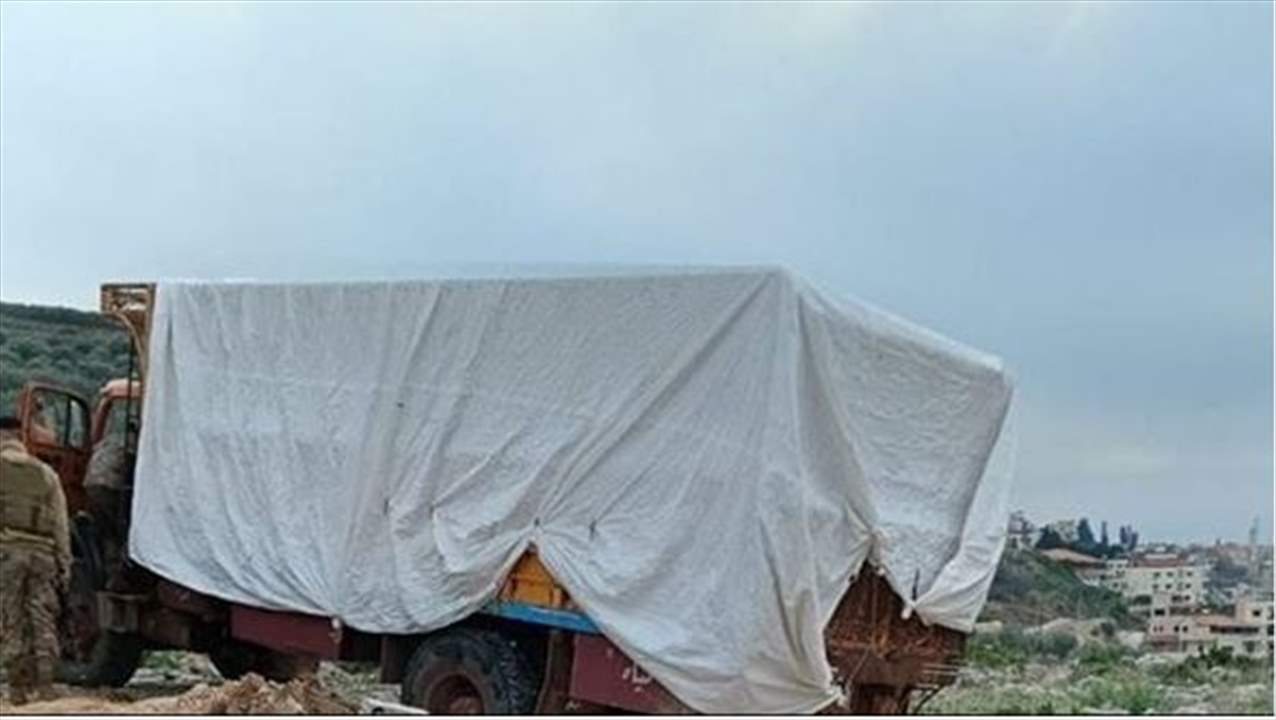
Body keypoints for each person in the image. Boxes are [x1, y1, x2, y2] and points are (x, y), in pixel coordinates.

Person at [0, 416, 70, 705]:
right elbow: (61, 524)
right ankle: (45, 686)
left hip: (8, 554)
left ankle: (17, 689)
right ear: (20, 437)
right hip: (43, 555)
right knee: (42, 618)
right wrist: (64, 564)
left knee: (11, 618)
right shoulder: (46, 473)